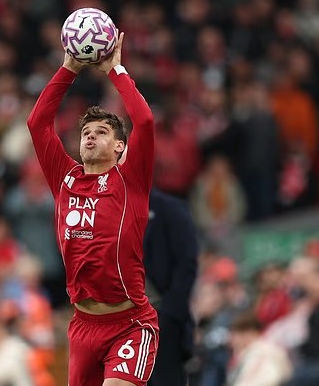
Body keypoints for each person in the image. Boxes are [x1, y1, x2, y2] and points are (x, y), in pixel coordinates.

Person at [27, 32, 158, 386]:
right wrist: (68, 68)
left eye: (101, 132)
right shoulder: (64, 178)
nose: (90, 136)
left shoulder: (130, 180)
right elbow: (37, 124)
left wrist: (115, 70)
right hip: (83, 325)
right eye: (87, 131)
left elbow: (145, 122)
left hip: (130, 323)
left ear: (119, 147)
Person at [143, 188, 199, 386]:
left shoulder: (169, 208)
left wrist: (169, 315)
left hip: (160, 320)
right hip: (117, 321)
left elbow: (187, 264)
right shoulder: (103, 209)